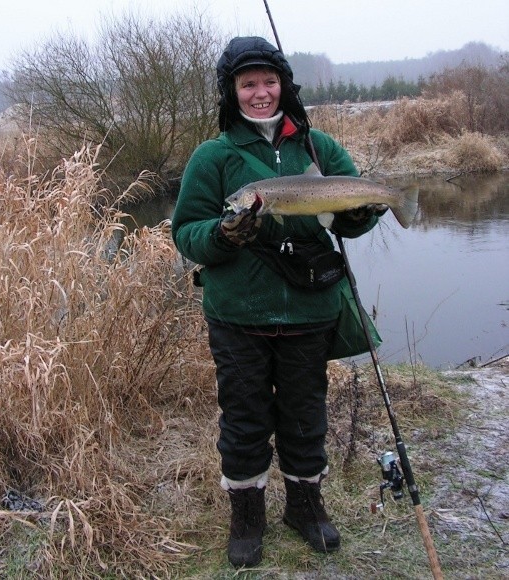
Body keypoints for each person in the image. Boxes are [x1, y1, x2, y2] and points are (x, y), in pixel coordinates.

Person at [171, 36, 385, 568]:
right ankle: (247, 517)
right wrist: (224, 235)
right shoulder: (213, 157)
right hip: (238, 315)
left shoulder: (319, 148)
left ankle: (305, 508)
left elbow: (351, 207)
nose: (261, 93)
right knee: (244, 419)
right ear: (232, 92)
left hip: (311, 311)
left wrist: (361, 214)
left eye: (269, 82)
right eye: (248, 85)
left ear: (284, 85)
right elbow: (187, 234)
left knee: (305, 415)